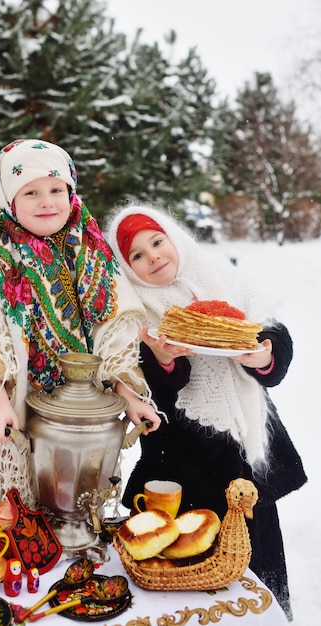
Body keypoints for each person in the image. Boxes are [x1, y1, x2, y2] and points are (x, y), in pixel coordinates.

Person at [0, 140, 159, 526]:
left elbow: (114, 328)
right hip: (5, 412)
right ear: (7, 196)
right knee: (0, 526)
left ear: (71, 192)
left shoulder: (90, 247)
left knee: (66, 514)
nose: (47, 202)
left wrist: (128, 395)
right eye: (31, 192)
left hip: (76, 420)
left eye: (56, 189)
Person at [107, 204, 307, 621]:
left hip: (246, 452)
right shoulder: (134, 311)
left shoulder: (222, 279)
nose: (153, 257)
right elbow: (152, 387)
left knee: (258, 558)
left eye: (157, 242)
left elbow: (270, 332)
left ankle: (272, 615)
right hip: (185, 467)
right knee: (187, 569)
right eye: (137, 256)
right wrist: (162, 360)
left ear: (174, 239)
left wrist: (264, 353)